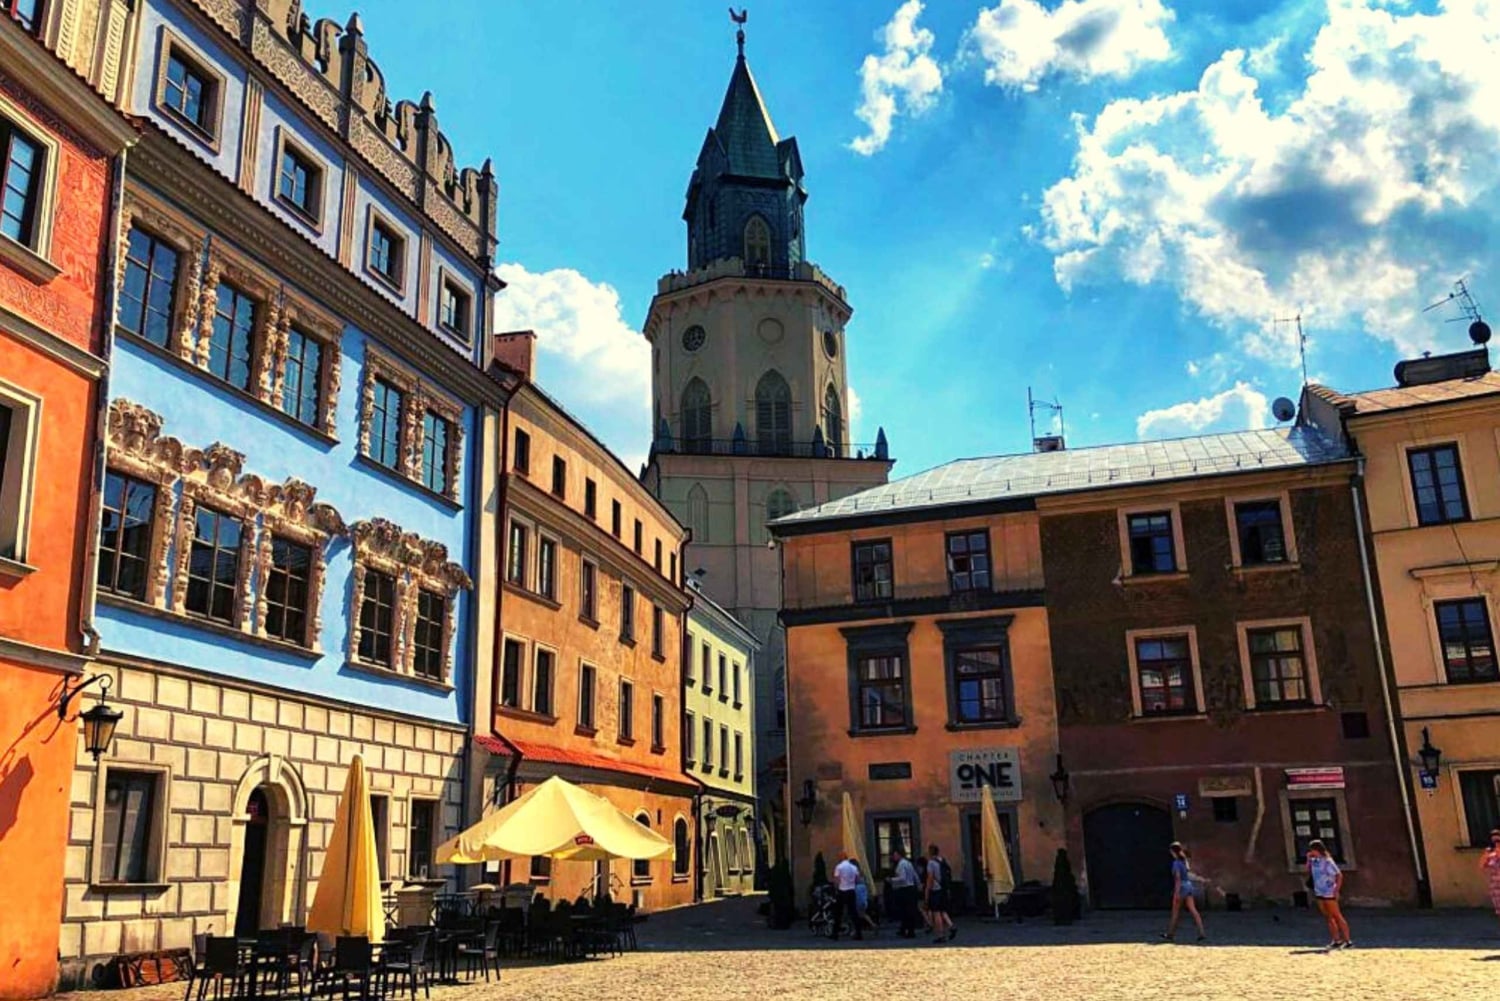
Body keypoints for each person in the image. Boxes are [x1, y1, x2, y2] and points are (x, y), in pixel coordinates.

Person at [1307, 840, 1351, 949]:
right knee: (1328, 916)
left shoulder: (1328, 861)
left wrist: (1336, 890)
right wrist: (1308, 859)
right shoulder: (1314, 861)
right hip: (1319, 891)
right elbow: (1310, 870)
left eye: (1312, 850)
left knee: (1337, 915)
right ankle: (1336, 939)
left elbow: (1339, 875)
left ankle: (1347, 940)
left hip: (1328, 891)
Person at [1162, 842, 1206, 942]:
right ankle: (1201, 932)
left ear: (1173, 852)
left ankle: (1170, 934)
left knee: (1175, 912)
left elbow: (1177, 878)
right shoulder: (1184, 861)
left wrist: (1176, 893)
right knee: (1193, 910)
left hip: (1181, 887)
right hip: (1188, 886)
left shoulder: (1176, 863)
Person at [925, 844, 956, 943]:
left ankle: (940, 935)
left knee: (936, 913)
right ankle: (951, 926)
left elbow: (930, 878)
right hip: (943, 889)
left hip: (935, 889)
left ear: (930, 852)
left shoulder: (931, 863)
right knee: (942, 910)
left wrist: (927, 891)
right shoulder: (942, 860)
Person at [830, 852, 862, 941]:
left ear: (842, 857)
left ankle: (835, 933)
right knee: (853, 912)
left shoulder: (839, 867)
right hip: (851, 890)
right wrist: (852, 884)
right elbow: (857, 879)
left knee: (838, 913)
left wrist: (836, 888)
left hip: (842, 890)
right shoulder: (854, 867)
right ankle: (859, 932)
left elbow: (836, 880)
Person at [891, 848, 920, 938]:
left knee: (906, 911)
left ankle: (909, 931)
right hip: (911, 888)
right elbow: (915, 875)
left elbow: (902, 878)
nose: (894, 857)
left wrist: (891, 880)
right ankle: (904, 929)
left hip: (905, 889)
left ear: (899, 855)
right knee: (908, 910)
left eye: (895, 855)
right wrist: (918, 884)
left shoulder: (902, 864)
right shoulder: (908, 863)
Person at [1481, 829, 1500, 929]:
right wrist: (1486, 854)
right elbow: (1482, 865)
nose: (1496, 843)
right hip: (1496, 886)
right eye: (1494, 841)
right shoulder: (1491, 855)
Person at [852, 861, 879, 935]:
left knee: (856, 913)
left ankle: (856, 930)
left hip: (858, 892)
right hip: (863, 892)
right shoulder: (862, 873)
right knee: (862, 913)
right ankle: (873, 925)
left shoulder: (855, 873)